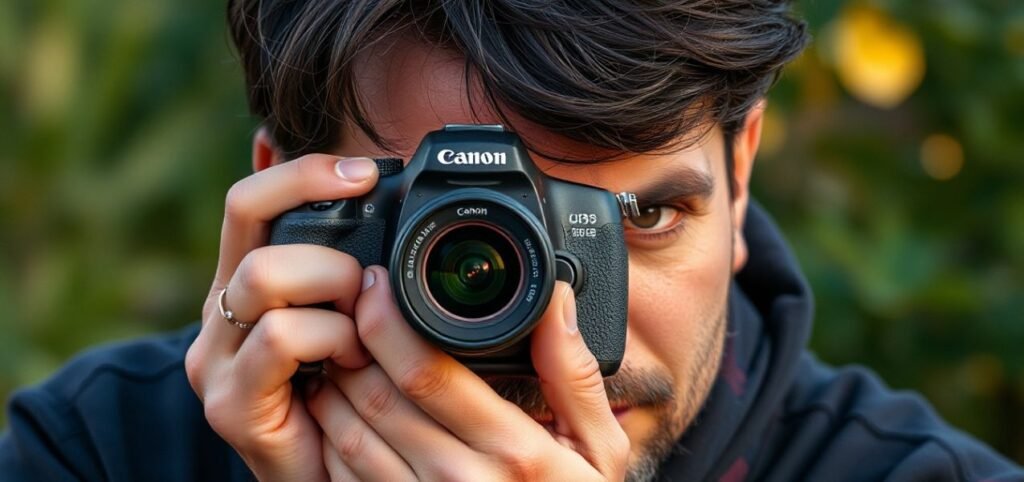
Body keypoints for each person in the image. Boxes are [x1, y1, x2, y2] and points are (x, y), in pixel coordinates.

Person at [2, 1, 1021, 481]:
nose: (556, 327)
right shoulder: (99, 452)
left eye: (641, 218)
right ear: (287, 207)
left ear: (740, 173)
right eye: (457, 238)